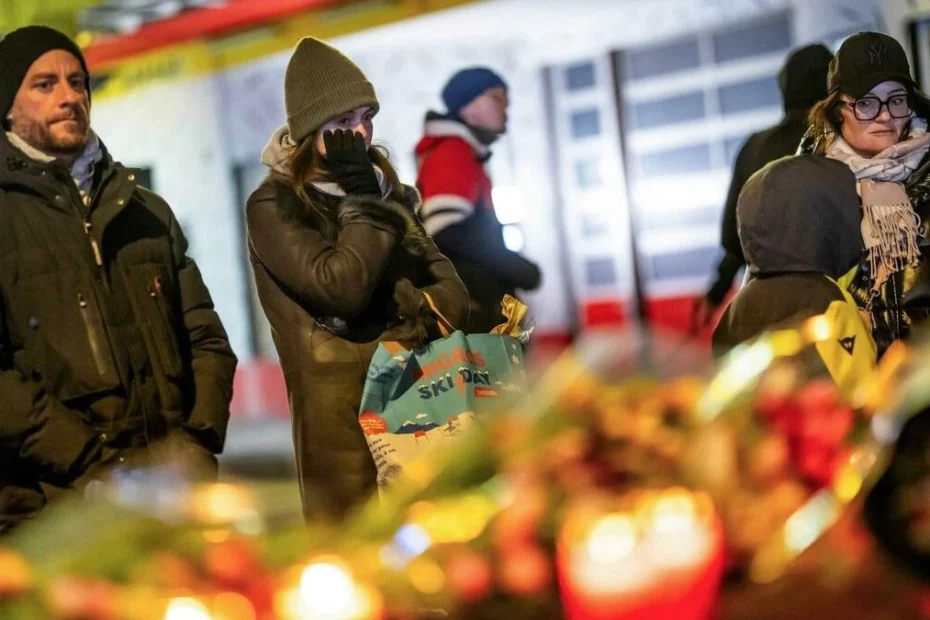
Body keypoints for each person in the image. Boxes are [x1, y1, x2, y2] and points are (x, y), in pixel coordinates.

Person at [0, 26, 237, 529]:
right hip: (53, 509)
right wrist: (92, 467)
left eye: (78, 82)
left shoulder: (145, 211)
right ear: (7, 106)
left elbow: (207, 340)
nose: (69, 97)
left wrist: (197, 444)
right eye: (44, 85)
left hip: (171, 492)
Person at [246, 37, 470, 518]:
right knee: (359, 554)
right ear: (310, 130)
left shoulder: (394, 195)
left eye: (365, 117)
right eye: (343, 123)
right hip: (341, 417)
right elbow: (341, 289)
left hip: (416, 396)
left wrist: (405, 306)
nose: (361, 133)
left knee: (431, 543)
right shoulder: (275, 205)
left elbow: (452, 292)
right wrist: (364, 202)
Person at [804, 31, 930, 356]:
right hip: (853, 377)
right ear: (837, 110)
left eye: (897, 99)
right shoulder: (808, 190)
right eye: (866, 102)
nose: (885, 115)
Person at [694, 44, 835, 331]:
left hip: (765, 307)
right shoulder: (842, 145)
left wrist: (716, 292)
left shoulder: (755, 148)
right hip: (835, 304)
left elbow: (735, 237)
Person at [713, 155, 876, 396]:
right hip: (820, 429)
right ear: (826, 223)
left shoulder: (735, 309)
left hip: (755, 432)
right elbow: (859, 390)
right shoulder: (827, 300)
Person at [415, 67, 541, 333]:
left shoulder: (461, 151)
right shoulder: (453, 152)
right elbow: (446, 231)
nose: (505, 108)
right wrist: (514, 266)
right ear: (466, 106)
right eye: (496, 98)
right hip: (475, 310)